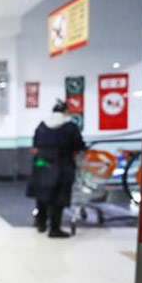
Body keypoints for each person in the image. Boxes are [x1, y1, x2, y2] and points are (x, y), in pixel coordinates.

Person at [28, 99, 86, 238]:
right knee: (58, 197)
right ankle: (54, 229)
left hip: (41, 163)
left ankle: (41, 223)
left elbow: (35, 143)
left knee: (42, 193)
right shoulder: (70, 126)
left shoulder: (42, 124)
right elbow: (78, 145)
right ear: (66, 111)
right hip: (62, 164)